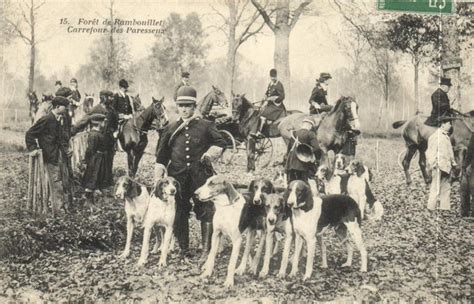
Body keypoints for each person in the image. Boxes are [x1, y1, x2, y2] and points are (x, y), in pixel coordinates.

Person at [155, 85, 226, 260]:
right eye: (181, 106)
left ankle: (206, 250)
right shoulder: (170, 128)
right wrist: (158, 175)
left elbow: (221, 142)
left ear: (194, 107)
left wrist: (210, 154)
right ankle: (183, 248)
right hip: (177, 178)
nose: (184, 109)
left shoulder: (206, 125)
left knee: (206, 209)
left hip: (200, 176)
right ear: (177, 107)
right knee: (179, 210)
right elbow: (161, 156)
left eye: (188, 106)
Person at [25, 96, 70, 214]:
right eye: (64, 107)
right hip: (50, 156)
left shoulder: (59, 119)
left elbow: (60, 139)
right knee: (56, 183)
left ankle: (61, 207)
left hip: (57, 155)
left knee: (61, 181)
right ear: (57, 107)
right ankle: (58, 211)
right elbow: (30, 133)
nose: (66, 109)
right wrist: (33, 148)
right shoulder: (46, 119)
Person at [73, 90, 118, 190]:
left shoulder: (112, 110)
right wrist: (72, 131)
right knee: (95, 164)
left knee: (107, 163)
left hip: (109, 141)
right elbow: (83, 121)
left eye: (112, 97)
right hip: (97, 141)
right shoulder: (95, 109)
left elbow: (115, 125)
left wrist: (114, 134)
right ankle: (92, 186)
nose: (112, 99)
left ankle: (105, 185)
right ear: (103, 97)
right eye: (110, 97)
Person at [426, 116, 457, 211]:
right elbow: (430, 152)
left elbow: (450, 152)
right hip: (438, 166)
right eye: (448, 123)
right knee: (435, 188)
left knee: (446, 187)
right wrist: (433, 164)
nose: (450, 125)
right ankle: (431, 208)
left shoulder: (446, 136)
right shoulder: (435, 136)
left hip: (446, 166)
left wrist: (453, 163)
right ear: (442, 124)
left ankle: (445, 208)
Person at [285, 118, 322, 183]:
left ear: (302, 124)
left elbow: (289, 148)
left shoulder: (294, 133)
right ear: (310, 126)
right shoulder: (311, 134)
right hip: (303, 163)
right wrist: (317, 158)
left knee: (291, 183)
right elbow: (316, 148)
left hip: (291, 162)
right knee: (304, 183)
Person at [81, 114, 108, 201]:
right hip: (95, 159)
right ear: (99, 123)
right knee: (93, 175)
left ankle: (94, 193)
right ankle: (88, 195)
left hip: (99, 158)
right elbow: (90, 149)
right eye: (103, 122)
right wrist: (88, 160)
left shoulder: (97, 134)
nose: (104, 123)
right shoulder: (94, 135)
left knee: (98, 174)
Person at [251, 68, 285, 137]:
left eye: (274, 77)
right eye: (271, 77)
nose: (273, 78)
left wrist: (273, 99)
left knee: (263, 114)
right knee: (259, 111)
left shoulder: (279, 84)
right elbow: (267, 92)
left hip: (277, 106)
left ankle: (260, 131)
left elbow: (282, 96)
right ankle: (256, 129)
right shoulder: (270, 83)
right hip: (270, 104)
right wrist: (265, 96)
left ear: (276, 76)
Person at [460, 133, 474, 217]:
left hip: (471, 167)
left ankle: (467, 212)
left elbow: (470, 150)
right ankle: (465, 212)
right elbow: (470, 151)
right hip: (470, 166)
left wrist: (468, 165)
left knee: (467, 188)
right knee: (465, 188)